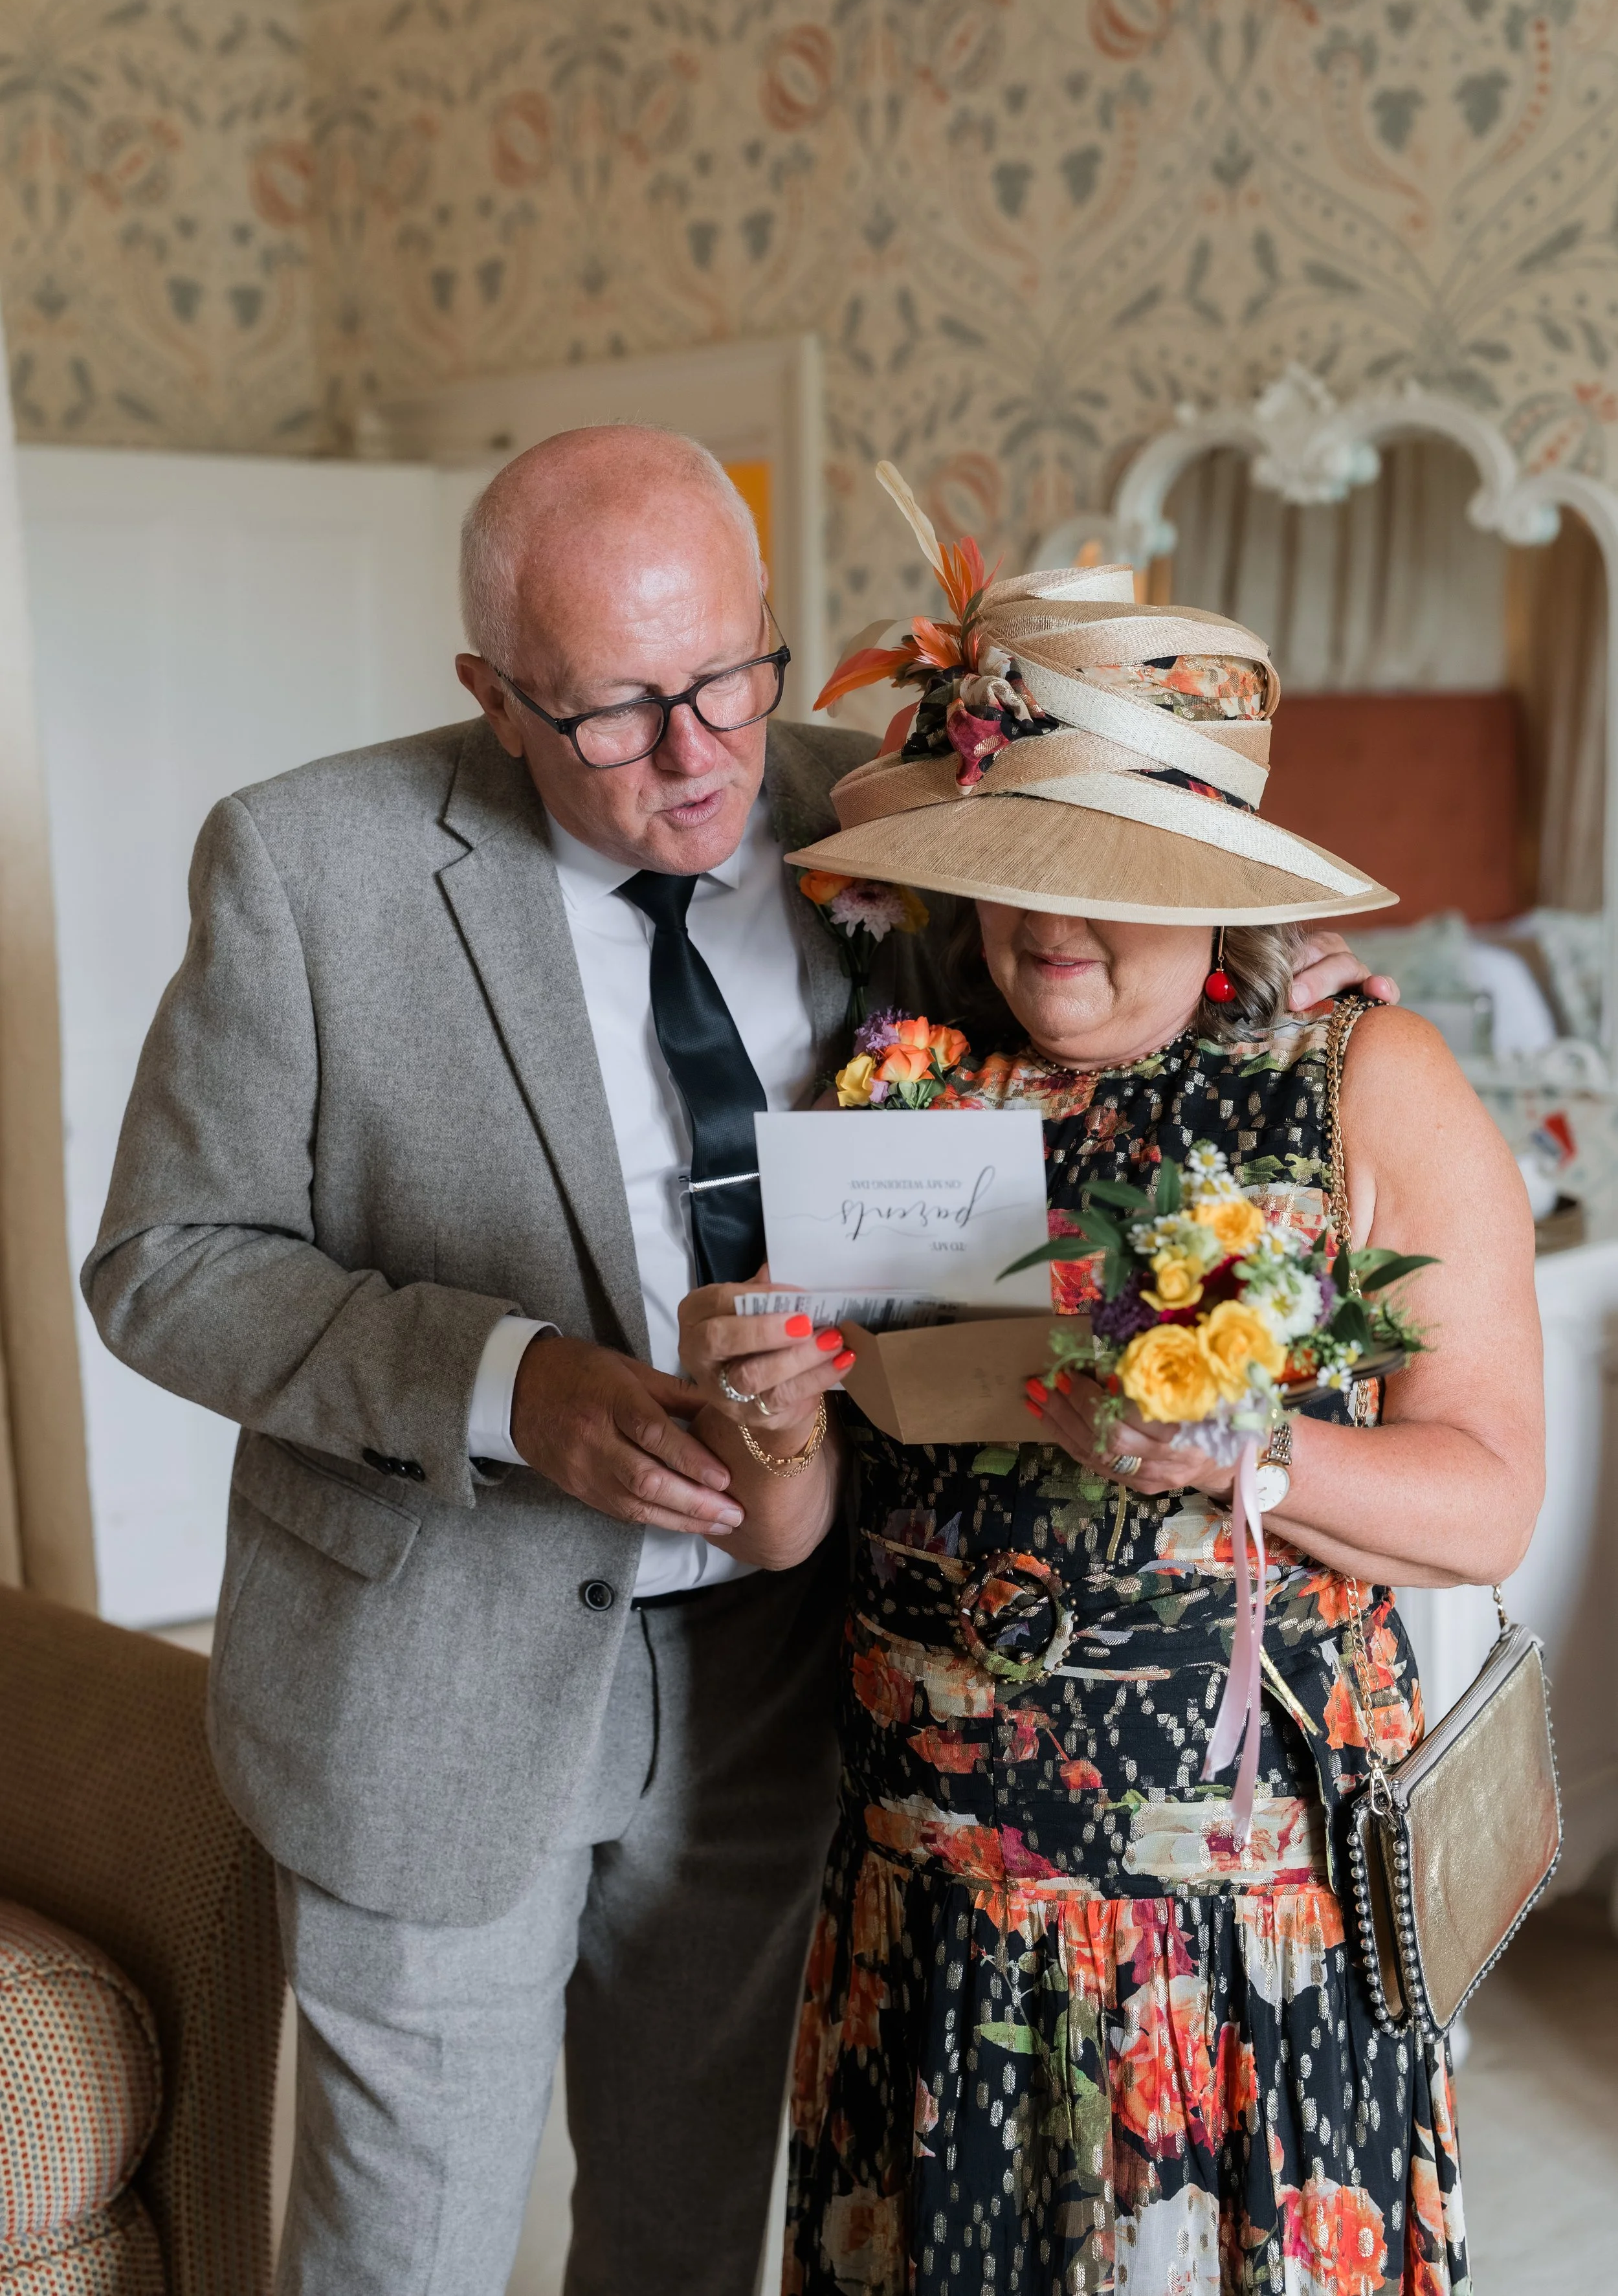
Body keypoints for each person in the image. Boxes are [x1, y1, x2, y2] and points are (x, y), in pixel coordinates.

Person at [83, 427, 1393, 2296]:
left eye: (728, 675)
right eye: (615, 712)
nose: (698, 752)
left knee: (685, 2235)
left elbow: (1084, 985)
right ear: (494, 696)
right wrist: (507, 1384)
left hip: (786, 1668)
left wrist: (1274, 977)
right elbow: (165, 1264)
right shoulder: (309, 866)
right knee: (403, 2253)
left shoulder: (889, 824)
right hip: (430, 1681)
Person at [676, 537, 1543, 2293]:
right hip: (929, 1915)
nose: (1047, 923)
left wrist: (1251, 1455)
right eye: (1014, 864)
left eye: (1112, 873)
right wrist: (754, 1403)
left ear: (1217, 880)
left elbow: (1486, 1502)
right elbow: (791, 1528)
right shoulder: (907, 1091)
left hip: (1227, 1945)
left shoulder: (1360, 1085)